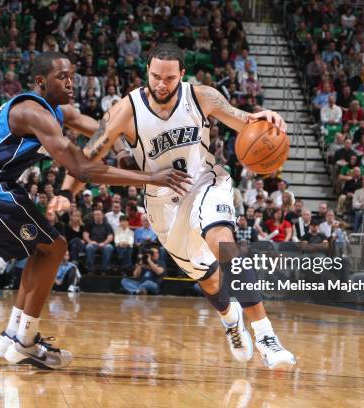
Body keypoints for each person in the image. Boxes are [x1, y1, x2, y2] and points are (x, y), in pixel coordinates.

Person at [0, 51, 189, 370]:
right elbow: (83, 169)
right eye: (62, 77)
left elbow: (99, 128)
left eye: (72, 75)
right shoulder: (32, 112)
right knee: (55, 248)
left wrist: (121, 148)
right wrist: (150, 178)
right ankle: (25, 340)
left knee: (43, 251)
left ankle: (13, 335)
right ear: (41, 82)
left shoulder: (57, 112)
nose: (71, 82)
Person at [65, 43, 296, 368]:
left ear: (182, 75)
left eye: (169, 78)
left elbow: (245, 121)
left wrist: (264, 118)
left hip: (205, 182)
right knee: (209, 279)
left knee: (223, 243)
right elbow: (88, 158)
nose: (162, 84)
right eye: (156, 76)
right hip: (163, 203)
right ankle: (231, 320)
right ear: (148, 71)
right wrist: (65, 192)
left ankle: (266, 335)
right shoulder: (126, 110)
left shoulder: (202, 96)